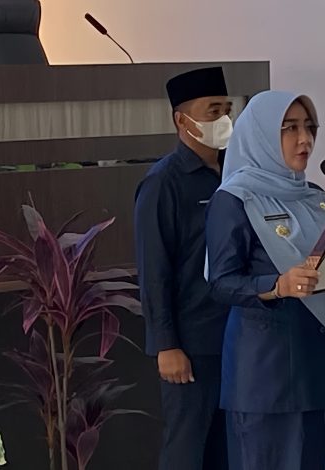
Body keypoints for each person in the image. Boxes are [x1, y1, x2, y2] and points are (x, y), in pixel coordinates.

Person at [204, 90, 325, 470]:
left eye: (310, 127)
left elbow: (323, 273)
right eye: (290, 128)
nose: (305, 139)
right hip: (265, 374)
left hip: (317, 363)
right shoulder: (234, 198)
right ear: (263, 134)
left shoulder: (314, 197)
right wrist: (277, 286)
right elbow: (221, 282)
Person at [134, 67, 232, 470]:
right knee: (187, 450)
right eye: (213, 111)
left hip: (235, 335)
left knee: (227, 450)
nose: (224, 120)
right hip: (191, 341)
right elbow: (154, 268)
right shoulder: (163, 182)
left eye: (227, 110)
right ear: (182, 120)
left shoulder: (235, 174)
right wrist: (166, 345)